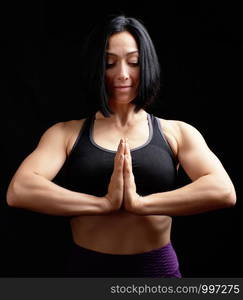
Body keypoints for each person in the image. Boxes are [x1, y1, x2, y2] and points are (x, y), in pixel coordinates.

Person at [6, 14, 236, 278]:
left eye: (134, 62)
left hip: (157, 272)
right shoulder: (65, 133)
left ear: (146, 64)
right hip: (87, 272)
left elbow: (223, 191)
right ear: (96, 68)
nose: (123, 74)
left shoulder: (178, 132)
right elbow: (19, 190)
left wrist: (140, 204)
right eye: (109, 63)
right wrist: (103, 204)